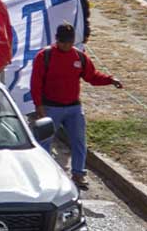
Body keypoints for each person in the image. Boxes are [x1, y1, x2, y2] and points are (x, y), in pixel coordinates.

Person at [31, 22, 122, 189]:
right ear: (57, 40)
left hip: (73, 107)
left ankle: (79, 174)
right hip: (51, 107)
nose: (66, 45)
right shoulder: (44, 56)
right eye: (63, 42)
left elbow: (92, 76)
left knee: (79, 141)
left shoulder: (79, 57)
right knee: (45, 141)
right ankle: (43, 173)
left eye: (69, 42)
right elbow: (36, 83)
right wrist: (39, 106)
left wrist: (110, 80)